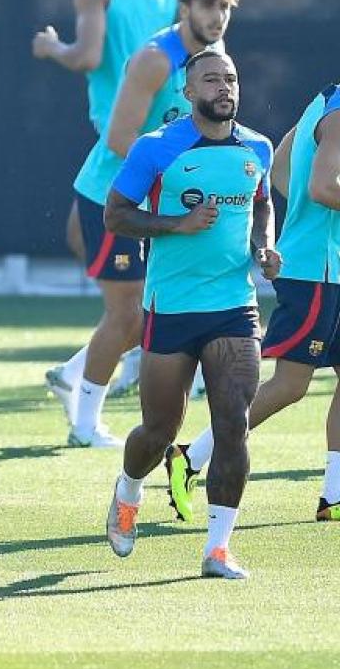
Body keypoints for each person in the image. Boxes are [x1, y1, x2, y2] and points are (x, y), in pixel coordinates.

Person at [102, 51, 276, 579]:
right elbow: (116, 214)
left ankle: (217, 549)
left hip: (234, 306)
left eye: (231, 77)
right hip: (171, 308)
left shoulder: (257, 147)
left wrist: (263, 244)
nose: (225, 87)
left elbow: (261, 201)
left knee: (232, 424)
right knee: (157, 431)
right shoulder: (156, 149)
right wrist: (177, 223)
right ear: (187, 90)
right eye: (212, 79)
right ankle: (128, 490)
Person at [60, 0, 237, 442]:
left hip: (164, 195)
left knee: (155, 308)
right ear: (184, 8)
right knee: (129, 316)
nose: (218, 18)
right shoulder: (156, 60)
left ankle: (74, 372)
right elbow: (119, 138)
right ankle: (84, 422)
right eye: (209, 7)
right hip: (112, 193)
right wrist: (178, 181)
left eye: (225, 8)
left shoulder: (215, 60)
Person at [33, 0, 177, 444]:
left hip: (123, 146)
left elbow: (89, 55)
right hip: (144, 140)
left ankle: (84, 391)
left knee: (128, 308)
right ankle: (83, 367)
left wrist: (52, 48)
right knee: (80, 236)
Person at [167, 82, 340, 523]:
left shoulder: (322, 99)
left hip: (325, 263)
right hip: (317, 271)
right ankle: (192, 454)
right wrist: (313, 219)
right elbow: (323, 187)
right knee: (291, 385)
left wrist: (304, 215)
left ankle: (334, 495)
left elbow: (281, 169)